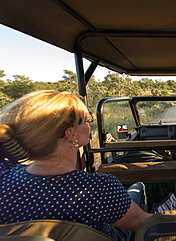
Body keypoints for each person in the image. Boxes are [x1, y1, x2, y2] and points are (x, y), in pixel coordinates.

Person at [0, 90, 152, 241]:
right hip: (110, 235)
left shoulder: (4, 176)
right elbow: (146, 224)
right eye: (86, 120)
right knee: (138, 188)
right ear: (70, 134)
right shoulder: (98, 187)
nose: (89, 124)